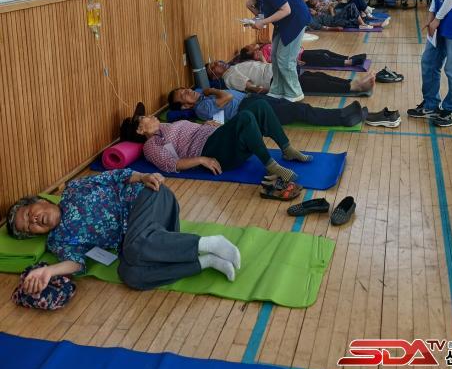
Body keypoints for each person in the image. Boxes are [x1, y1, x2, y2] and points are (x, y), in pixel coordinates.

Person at [6, 169, 242, 293]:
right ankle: (207, 261)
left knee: (134, 247)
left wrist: (143, 176)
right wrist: (49, 271)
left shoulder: (73, 189)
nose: (33, 220)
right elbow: (77, 264)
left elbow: (115, 176)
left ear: (40, 201)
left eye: (28, 214)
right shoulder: (58, 241)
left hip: (149, 198)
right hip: (147, 238)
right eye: (29, 228)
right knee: (130, 275)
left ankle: (211, 243)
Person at [121, 99, 312, 184]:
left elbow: (186, 133)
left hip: (217, 138)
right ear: (140, 130)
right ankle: (271, 166)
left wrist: (205, 125)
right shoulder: (151, 146)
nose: (151, 115)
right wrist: (202, 159)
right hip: (213, 152)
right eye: (145, 117)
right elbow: (172, 164)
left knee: (260, 106)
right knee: (245, 117)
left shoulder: (164, 126)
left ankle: (287, 149)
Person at [237, 0, 310, 103]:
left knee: (285, 59)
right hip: (283, 21)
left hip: (295, 19)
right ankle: (277, 90)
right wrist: (250, 9)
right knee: (275, 57)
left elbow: (286, 10)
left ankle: (295, 93)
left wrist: (262, 22)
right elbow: (263, 15)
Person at [167, 85, 401, 128]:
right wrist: (210, 90)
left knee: (297, 108)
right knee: (300, 111)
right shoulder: (201, 108)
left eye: (185, 88)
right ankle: (344, 118)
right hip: (249, 111)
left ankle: (342, 114)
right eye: (184, 94)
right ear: (184, 105)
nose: (188, 91)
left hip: (252, 100)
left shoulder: (200, 98)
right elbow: (227, 97)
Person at [207, 58, 377, 97]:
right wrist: (271, 91)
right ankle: (355, 87)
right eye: (214, 66)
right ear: (214, 75)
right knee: (315, 83)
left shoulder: (235, 66)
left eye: (216, 61)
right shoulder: (229, 77)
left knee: (318, 75)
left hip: (278, 71)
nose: (218, 62)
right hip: (275, 80)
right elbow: (249, 86)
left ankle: (351, 82)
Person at [244, 41, 368, 69]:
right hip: (299, 58)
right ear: (252, 57)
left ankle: (347, 58)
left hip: (300, 51)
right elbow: (278, 62)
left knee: (325, 51)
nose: (256, 51)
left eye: (253, 49)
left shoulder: (264, 47)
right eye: (253, 53)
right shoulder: (264, 59)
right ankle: (349, 63)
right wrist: (295, 62)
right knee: (323, 58)